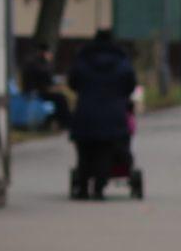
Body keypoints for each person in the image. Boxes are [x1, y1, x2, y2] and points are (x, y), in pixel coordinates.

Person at [67, 29, 137, 199]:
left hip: (86, 112)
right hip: (113, 113)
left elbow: (72, 82)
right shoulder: (122, 61)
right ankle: (99, 188)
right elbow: (131, 84)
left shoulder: (83, 59)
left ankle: (83, 188)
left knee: (85, 151)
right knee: (105, 151)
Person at [19, 45, 72, 130]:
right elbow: (46, 81)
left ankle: (56, 121)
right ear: (45, 53)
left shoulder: (34, 63)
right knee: (60, 99)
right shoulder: (39, 65)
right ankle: (64, 122)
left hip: (35, 91)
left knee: (58, 100)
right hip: (35, 92)